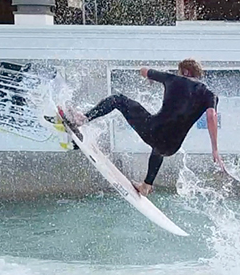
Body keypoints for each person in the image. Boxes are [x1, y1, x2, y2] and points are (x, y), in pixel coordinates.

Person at [71, 58, 223, 196]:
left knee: (118, 99)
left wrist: (150, 76)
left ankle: (83, 119)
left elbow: (143, 70)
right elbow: (211, 116)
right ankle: (146, 185)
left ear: (185, 71)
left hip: (153, 131)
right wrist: (215, 148)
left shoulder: (172, 78)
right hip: (171, 147)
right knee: (161, 146)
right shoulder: (210, 95)